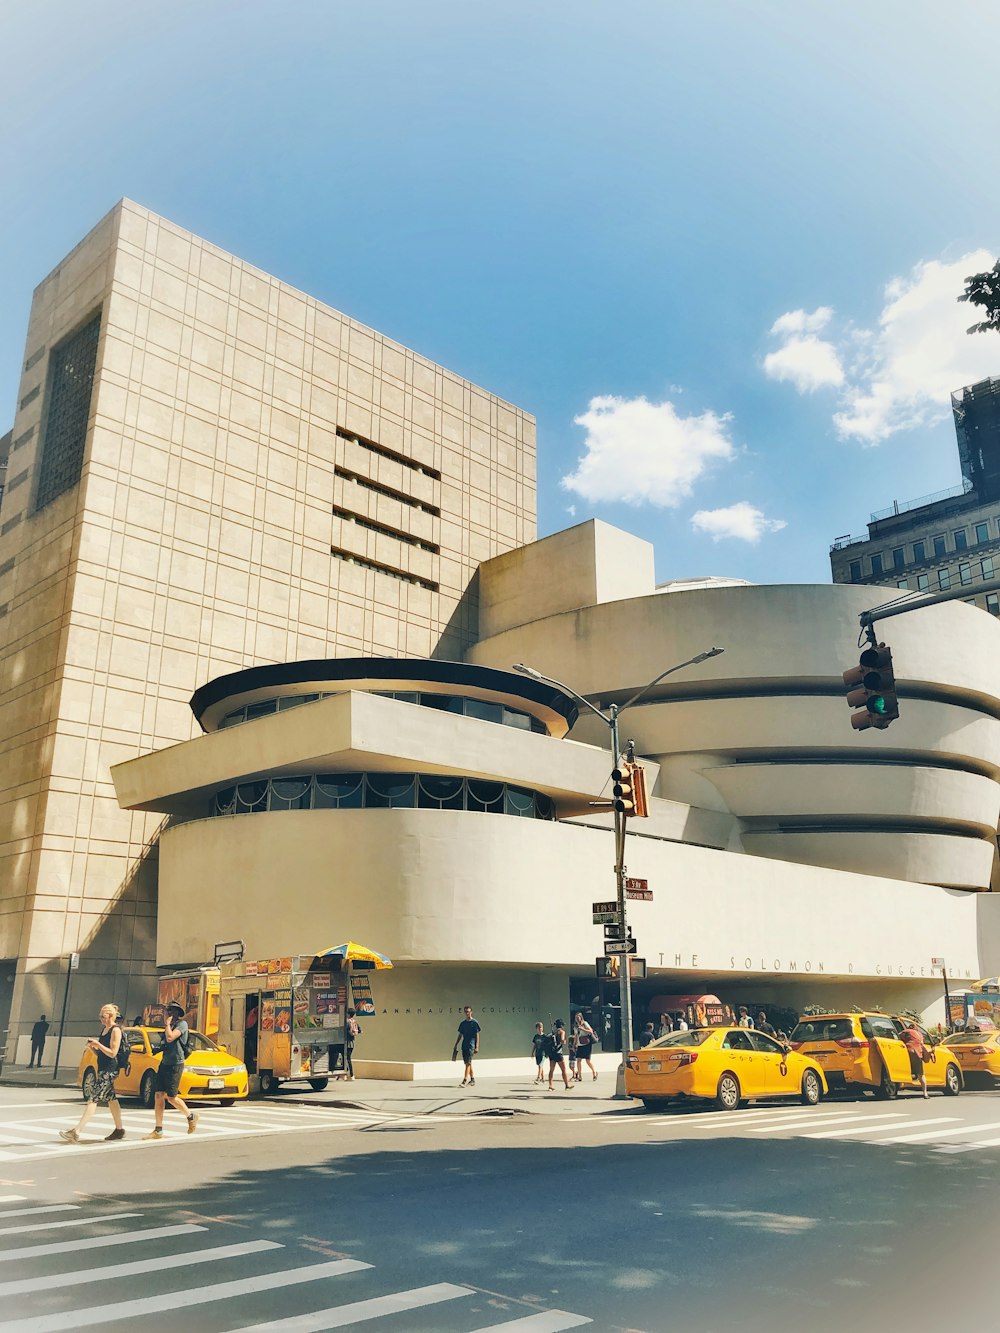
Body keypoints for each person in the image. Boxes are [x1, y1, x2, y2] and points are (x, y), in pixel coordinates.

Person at [59, 1004, 126, 1143]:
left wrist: (98, 1044)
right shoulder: (105, 1029)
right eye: (100, 1016)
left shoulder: (116, 1030)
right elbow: (102, 1053)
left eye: (103, 1016)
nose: (101, 1018)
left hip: (110, 1070)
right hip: (103, 1068)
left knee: (93, 1099)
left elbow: (113, 1053)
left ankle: (76, 1131)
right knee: (111, 1099)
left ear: (111, 1016)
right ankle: (119, 1129)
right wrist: (93, 1048)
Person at [144, 1000, 198, 1139]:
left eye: (173, 1011)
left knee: (172, 1097)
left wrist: (167, 1024)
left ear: (178, 1013)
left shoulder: (182, 1024)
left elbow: (170, 1038)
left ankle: (191, 1116)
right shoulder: (170, 1026)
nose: (170, 1013)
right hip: (165, 1063)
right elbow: (165, 1042)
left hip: (175, 1063)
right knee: (158, 1095)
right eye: (169, 1011)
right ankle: (158, 1129)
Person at [900, 1022, 928, 1099]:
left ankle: (910, 1076)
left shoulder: (906, 1031)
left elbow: (898, 1038)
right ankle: (925, 1093)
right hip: (919, 1053)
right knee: (921, 1074)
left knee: (906, 1067)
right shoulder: (920, 1034)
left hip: (909, 1051)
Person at [454, 1005, 481, 1087]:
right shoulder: (463, 1023)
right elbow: (460, 1035)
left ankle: (464, 1080)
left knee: (468, 1063)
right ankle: (472, 1079)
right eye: (465, 1011)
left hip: (471, 1046)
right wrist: (456, 1044)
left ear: (471, 1012)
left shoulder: (475, 1023)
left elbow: (477, 1035)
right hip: (464, 1046)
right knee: (467, 1063)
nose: (467, 1013)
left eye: (468, 1011)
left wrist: (476, 1046)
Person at [547, 1018, 572, 1090]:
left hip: (552, 1053)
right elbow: (562, 1040)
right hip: (558, 1053)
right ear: (561, 1025)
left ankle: (550, 1086)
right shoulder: (562, 1032)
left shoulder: (553, 1032)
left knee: (551, 1070)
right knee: (563, 1069)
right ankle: (567, 1085)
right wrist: (564, 1041)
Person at [573, 1011, 599, 1081]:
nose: (577, 1019)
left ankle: (594, 1072)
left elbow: (591, 1031)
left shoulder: (585, 1024)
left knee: (588, 1060)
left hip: (587, 1043)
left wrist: (582, 1029)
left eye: (578, 1017)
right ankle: (580, 1076)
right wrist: (574, 1044)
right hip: (580, 1044)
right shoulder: (575, 1026)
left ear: (581, 1018)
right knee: (578, 1060)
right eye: (576, 1018)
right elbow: (576, 1036)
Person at [339, 1008, 360, 1080]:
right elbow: (359, 1030)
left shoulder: (347, 1022)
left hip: (346, 1043)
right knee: (346, 1058)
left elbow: (343, 1030)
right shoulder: (354, 1022)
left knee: (347, 1059)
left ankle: (351, 1075)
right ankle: (345, 1074)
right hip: (352, 1043)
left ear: (348, 1014)